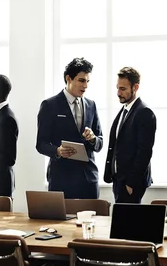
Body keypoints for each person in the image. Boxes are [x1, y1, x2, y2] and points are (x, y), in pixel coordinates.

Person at [36, 58, 103, 199]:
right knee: (60, 221)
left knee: (91, 221)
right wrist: (58, 151)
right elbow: (41, 144)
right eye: (81, 80)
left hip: (88, 179)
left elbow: (100, 143)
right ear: (68, 78)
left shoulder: (91, 105)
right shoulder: (49, 105)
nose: (85, 86)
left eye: (87, 81)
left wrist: (93, 139)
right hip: (61, 179)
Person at [103, 67, 156, 204]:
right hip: (119, 180)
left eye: (123, 89)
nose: (118, 93)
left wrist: (131, 182)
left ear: (135, 87)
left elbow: (144, 152)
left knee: (129, 223)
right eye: (117, 88)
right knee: (122, 222)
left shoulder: (144, 112)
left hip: (131, 183)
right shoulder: (125, 109)